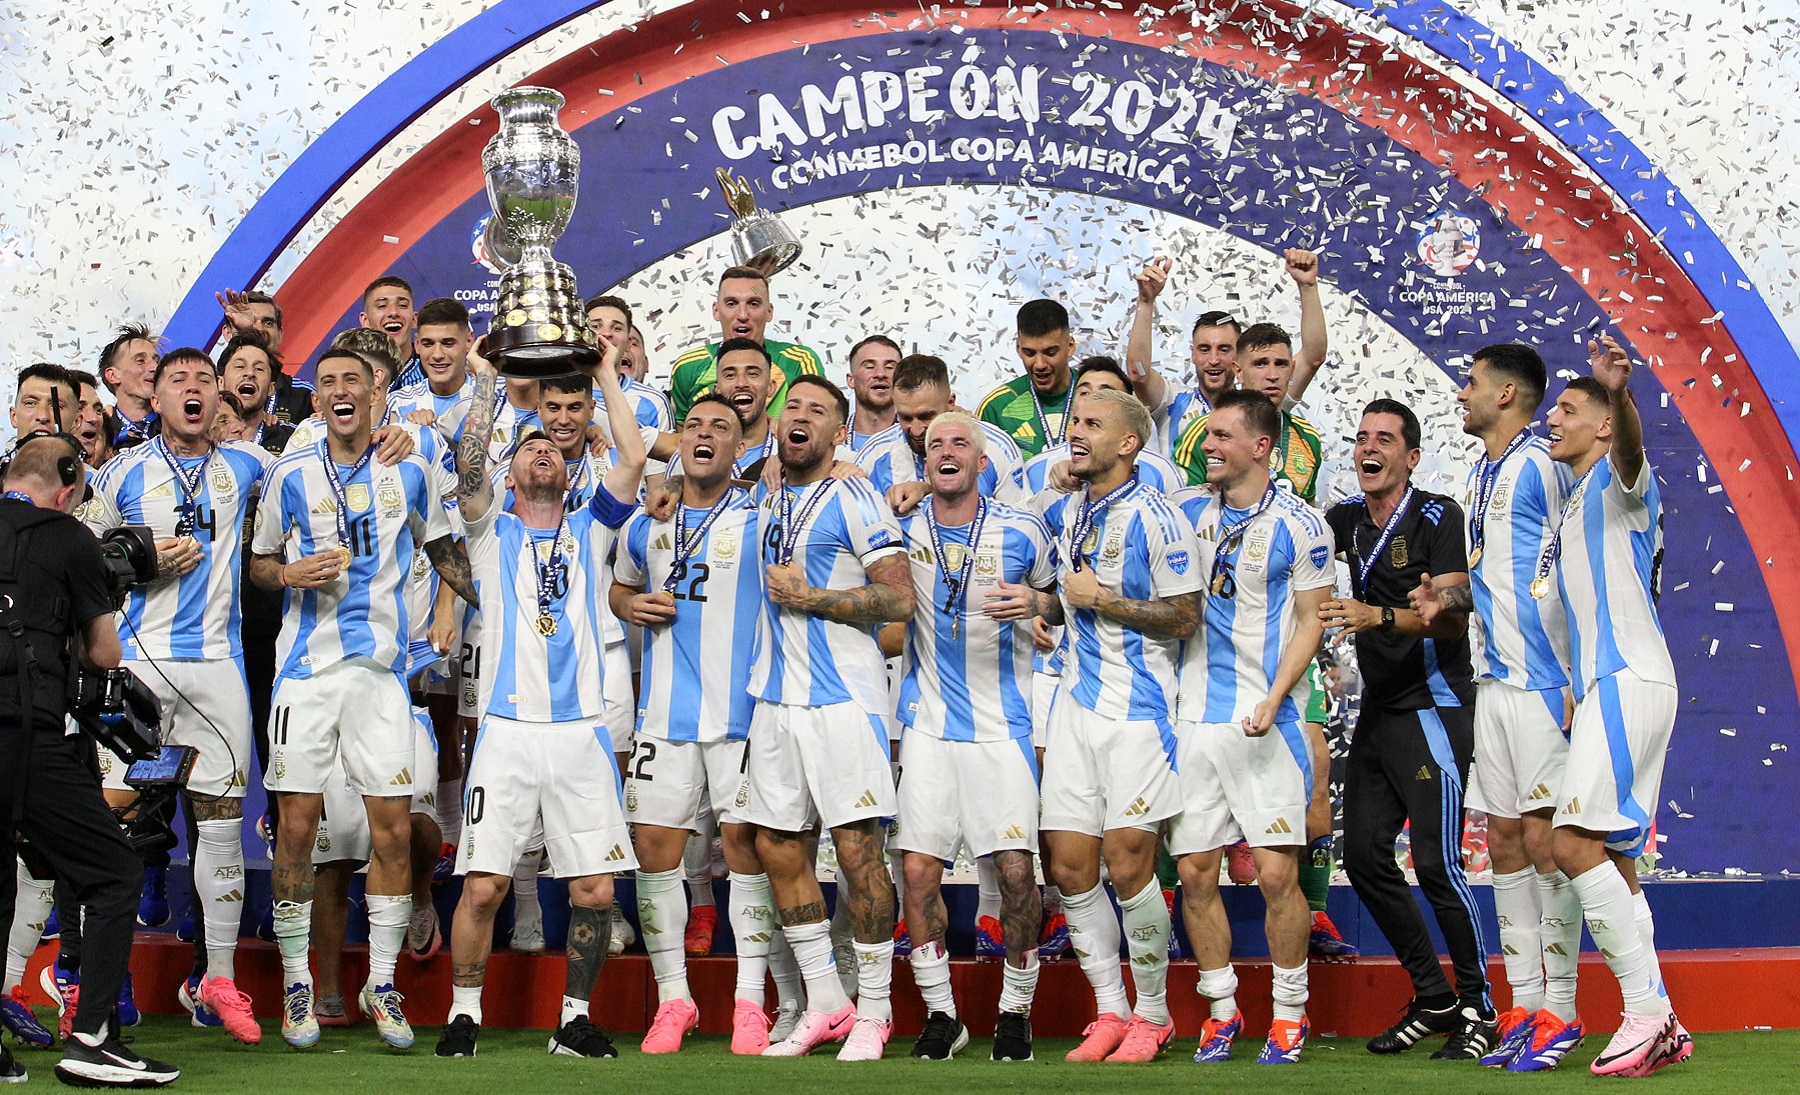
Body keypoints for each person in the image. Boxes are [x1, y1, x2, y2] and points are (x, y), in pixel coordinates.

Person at [248, 347, 474, 1051]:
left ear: (378, 392)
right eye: (329, 383)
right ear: (317, 401)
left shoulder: (407, 467)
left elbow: (445, 549)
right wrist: (288, 571)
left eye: (354, 380)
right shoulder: (289, 472)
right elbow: (257, 566)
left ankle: (382, 982)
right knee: (295, 830)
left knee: (394, 830)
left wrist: (477, 604)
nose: (341, 391)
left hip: (380, 677)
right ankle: (295, 984)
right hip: (306, 676)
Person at [433, 341, 647, 1061]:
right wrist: (487, 384)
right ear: (511, 473)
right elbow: (467, 469)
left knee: (593, 891)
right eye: (526, 451)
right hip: (507, 732)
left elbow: (633, 459)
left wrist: (608, 375)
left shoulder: (593, 526)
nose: (541, 455)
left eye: (550, 450)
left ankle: (575, 1019)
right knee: (486, 883)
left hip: (582, 732)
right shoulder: (490, 533)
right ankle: (464, 1012)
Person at [84, 349, 274, 1045]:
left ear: (218, 398)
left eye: (203, 381)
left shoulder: (249, 467)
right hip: (142, 666)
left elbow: (324, 468)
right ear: (155, 397)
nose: (192, 391)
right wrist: (138, 555)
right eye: (177, 382)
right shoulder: (121, 472)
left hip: (219, 669)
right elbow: (80, 556)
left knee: (220, 819)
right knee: (113, 819)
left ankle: (218, 977)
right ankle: (92, 975)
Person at [1411, 343, 1585, 1070]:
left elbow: (1578, 559)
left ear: (1509, 393)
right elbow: (1492, 579)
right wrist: (1441, 598)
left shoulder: (1542, 466)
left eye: (1473, 382)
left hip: (1548, 684)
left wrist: (1581, 671)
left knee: (1548, 845)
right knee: (1507, 845)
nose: (1462, 393)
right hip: (1498, 684)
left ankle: (1564, 1010)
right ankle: (1523, 1001)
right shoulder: (1485, 471)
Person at [1523, 339, 1687, 1075]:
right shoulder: (1571, 510)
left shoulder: (1623, 484)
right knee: (1615, 862)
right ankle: (1666, 1021)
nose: (1551, 416)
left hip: (1629, 680)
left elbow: (1631, 456)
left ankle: (1645, 1011)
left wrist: (1620, 395)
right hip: (1607, 688)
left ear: (1603, 429)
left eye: (1567, 408)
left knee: (1572, 844)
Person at [742, 375, 914, 1060]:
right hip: (776, 699)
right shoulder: (768, 491)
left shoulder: (855, 494)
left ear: (841, 433)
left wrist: (812, 598)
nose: (801, 417)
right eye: (795, 408)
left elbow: (898, 600)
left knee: (856, 852)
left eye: (819, 411)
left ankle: (875, 1009)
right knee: (779, 845)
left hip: (845, 698)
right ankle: (826, 1001)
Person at [0, 433, 179, 1086]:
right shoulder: (71, 536)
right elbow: (106, 654)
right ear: (69, 484)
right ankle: (94, 1038)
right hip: (29, 731)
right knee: (111, 869)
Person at [1030, 388, 1201, 1063]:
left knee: (1130, 864)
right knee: (1070, 864)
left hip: (1139, 712)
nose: (1077, 433)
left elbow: (1184, 617)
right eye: (1074, 421)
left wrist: (1104, 600)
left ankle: (1153, 1015)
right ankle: (1110, 1008)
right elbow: (1076, 598)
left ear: (1129, 443)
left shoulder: (1159, 520)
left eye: (1093, 425)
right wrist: (1051, 610)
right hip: (1074, 707)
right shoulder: (1072, 511)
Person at [1319, 399, 1493, 1058]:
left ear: (1410, 456)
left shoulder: (1435, 515)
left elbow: (1451, 616)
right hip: (1380, 715)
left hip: (1434, 708)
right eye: (1362, 437)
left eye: (1384, 439)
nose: (1370, 447)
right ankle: (1435, 996)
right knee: (1363, 858)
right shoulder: (1346, 521)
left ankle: (1481, 1008)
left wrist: (1382, 616)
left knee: (1437, 863)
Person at [884, 412, 1057, 1061]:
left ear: (983, 461)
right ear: (923, 462)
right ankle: (942, 1013)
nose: (947, 451)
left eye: (960, 443)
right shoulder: (900, 526)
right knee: (918, 870)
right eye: (935, 445)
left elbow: (1063, 599)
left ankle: (1015, 1011)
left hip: (1002, 725)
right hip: (927, 722)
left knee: (1016, 872)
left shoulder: (1022, 528)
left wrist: (1039, 606)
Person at [1168, 390, 1333, 1065]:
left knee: (1273, 873)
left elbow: (1313, 617)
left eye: (1224, 436)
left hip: (1267, 721)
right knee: (1196, 870)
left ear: (1261, 446)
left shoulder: (1301, 523)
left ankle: (1289, 1014)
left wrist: (1274, 696)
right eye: (1207, 435)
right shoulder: (1181, 513)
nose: (1209, 445)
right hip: (1193, 721)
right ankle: (1220, 1009)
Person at [610, 394, 770, 1055]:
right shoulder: (647, 522)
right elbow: (616, 587)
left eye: (721, 429)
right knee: (654, 856)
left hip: (741, 716)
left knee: (746, 855)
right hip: (665, 716)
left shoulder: (762, 519)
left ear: (740, 449)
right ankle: (674, 999)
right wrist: (633, 602)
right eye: (695, 427)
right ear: (680, 443)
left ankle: (750, 1002)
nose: (705, 435)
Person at [1126, 250, 1326, 456]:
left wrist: (1307, 286)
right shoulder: (1173, 400)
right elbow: (1138, 373)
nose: (1214, 360)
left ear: (1238, 359)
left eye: (1224, 349)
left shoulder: (1261, 404)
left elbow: (1313, 358)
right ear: (1192, 354)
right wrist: (1146, 302)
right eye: (1205, 349)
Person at [858, 354, 1027, 507]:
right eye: (906, 418)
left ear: (950, 402)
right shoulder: (874, 455)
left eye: (926, 416)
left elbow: (1019, 522)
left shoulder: (996, 446)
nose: (916, 431)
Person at [668, 267, 824, 420]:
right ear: (716, 311)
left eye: (753, 303)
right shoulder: (688, 366)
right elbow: (682, 439)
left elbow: (816, 428)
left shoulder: (799, 361)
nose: (742, 315)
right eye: (731, 303)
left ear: (769, 312)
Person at [978, 299, 1076, 459]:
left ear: (1070, 346)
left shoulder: (1097, 393)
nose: (1039, 364)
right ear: (1018, 348)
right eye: (1029, 353)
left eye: (1050, 352)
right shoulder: (996, 407)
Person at [215, 289, 315, 424]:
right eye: (250, 322)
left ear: (280, 335)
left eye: (268, 323)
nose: (260, 330)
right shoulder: (208, 391)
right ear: (227, 333)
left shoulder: (305, 396)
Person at [586, 295, 673, 437]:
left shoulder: (653, 402)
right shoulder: (553, 390)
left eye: (617, 328)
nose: (607, 333)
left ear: (627, 343)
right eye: (596, 326)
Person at [389, 297, 476, 424]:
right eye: (428, 344)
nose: (437, 355)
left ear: (468, 341)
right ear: (417, 344)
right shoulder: (397, 404)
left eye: (448, 344)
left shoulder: (492, 398)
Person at [216, 334, 296, 453]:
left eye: (259, 369)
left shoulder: (294, 440)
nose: (249, 373)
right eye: (239, 366)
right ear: (220, 382)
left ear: (271, 388)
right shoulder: (200, 439)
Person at [97, 325, 160, 449]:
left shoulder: (176, 427)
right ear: (113, 375)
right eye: (140, 361)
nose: (155, 367)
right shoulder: (100, 434)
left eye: (156, 361)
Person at [360, 276, 421, 389]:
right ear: (366, 321)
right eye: (382, 306)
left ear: (414, 319)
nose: (393, 312)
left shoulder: (433, 373)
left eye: (402, 305)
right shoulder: (351, 374)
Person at [845, 336, 900, 451]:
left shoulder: (917, 439)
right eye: (869, 367)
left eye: (890, 367)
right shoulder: (831, 440)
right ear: (851, 380)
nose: (880, 374)